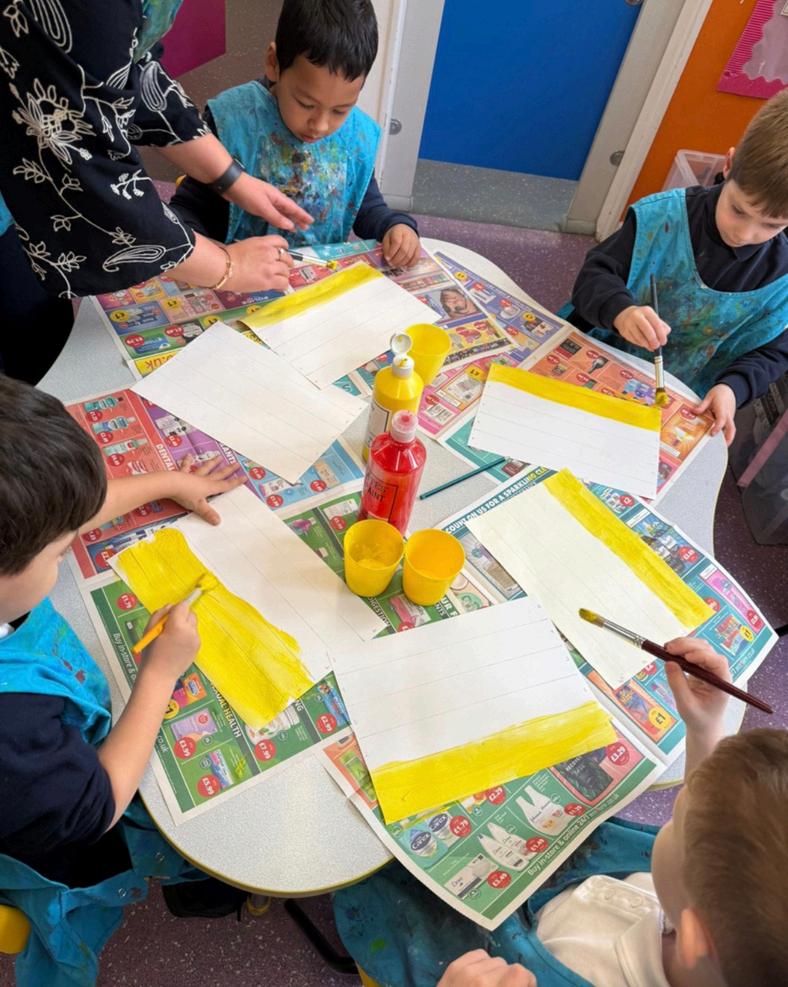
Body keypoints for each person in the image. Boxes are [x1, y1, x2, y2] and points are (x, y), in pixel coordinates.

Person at [334, 638, 788, 987]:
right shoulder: (717, 926)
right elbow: (714, 837)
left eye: (676, 820)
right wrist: (706, 730)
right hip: (563, 874)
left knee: (363, 864)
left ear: (692, 938)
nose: (678, 804)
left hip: (470, 952)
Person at [0, 374, 249, 985]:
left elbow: (51, 514)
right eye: (60, 554)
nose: (66, 552)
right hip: (62, 837)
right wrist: (160, 674)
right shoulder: (11, 730)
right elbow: (96, 807)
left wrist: (166, 483)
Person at [0, 0, 313, 384]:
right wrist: (227, 267)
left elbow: (130, 69)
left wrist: (232, 179)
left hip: (23, 186)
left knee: (42, 348)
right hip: (21, 171)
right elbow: (94, 180)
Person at [568, 88, 788, 445]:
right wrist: (621, 311)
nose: (745, 233)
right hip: (594, 357)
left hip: (680, 400)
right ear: (728, 165)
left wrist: (732, 389)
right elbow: (594, 277)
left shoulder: (782, 278)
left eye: (771, 225)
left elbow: (771, 353)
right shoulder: (662, 218)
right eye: (738, 210)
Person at [170, 0, 421, 268]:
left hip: (318, 280)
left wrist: (395, 226)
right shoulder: (232, 121)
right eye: (305, 104)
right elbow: (189, 211)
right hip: (239, 276)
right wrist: (214, 258)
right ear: (273, 62)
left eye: (340, 110)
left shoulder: (355, 137)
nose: (320, 125)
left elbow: (367, 207)